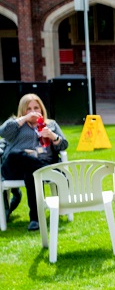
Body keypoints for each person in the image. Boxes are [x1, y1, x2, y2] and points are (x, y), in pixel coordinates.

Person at [1, 93, 69, 231]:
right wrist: (24, 118)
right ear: (23, 110)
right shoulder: (16, 123)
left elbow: (64, 145)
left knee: (32, 173)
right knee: (16, 155)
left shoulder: (51, 125)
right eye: (28, 109)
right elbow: (3, 132)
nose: (33, 111)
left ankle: (35, 219)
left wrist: (53, 136)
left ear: (41, 109)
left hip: (34, 169)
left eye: (36, 108)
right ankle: (49, 171)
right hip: (14, 167)